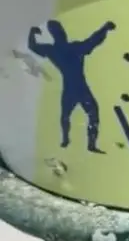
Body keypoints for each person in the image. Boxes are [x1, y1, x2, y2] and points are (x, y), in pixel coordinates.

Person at [28, 20, 116, 153]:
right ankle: (75, 141)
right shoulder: (71, 48)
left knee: (69, 115)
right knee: (85, 114)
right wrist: (104, 29)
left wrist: (32, 33)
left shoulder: (52, 50)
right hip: (79, 86)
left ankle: (68, 140)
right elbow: (92, 41)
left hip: (70, 87)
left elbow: (33, 46)